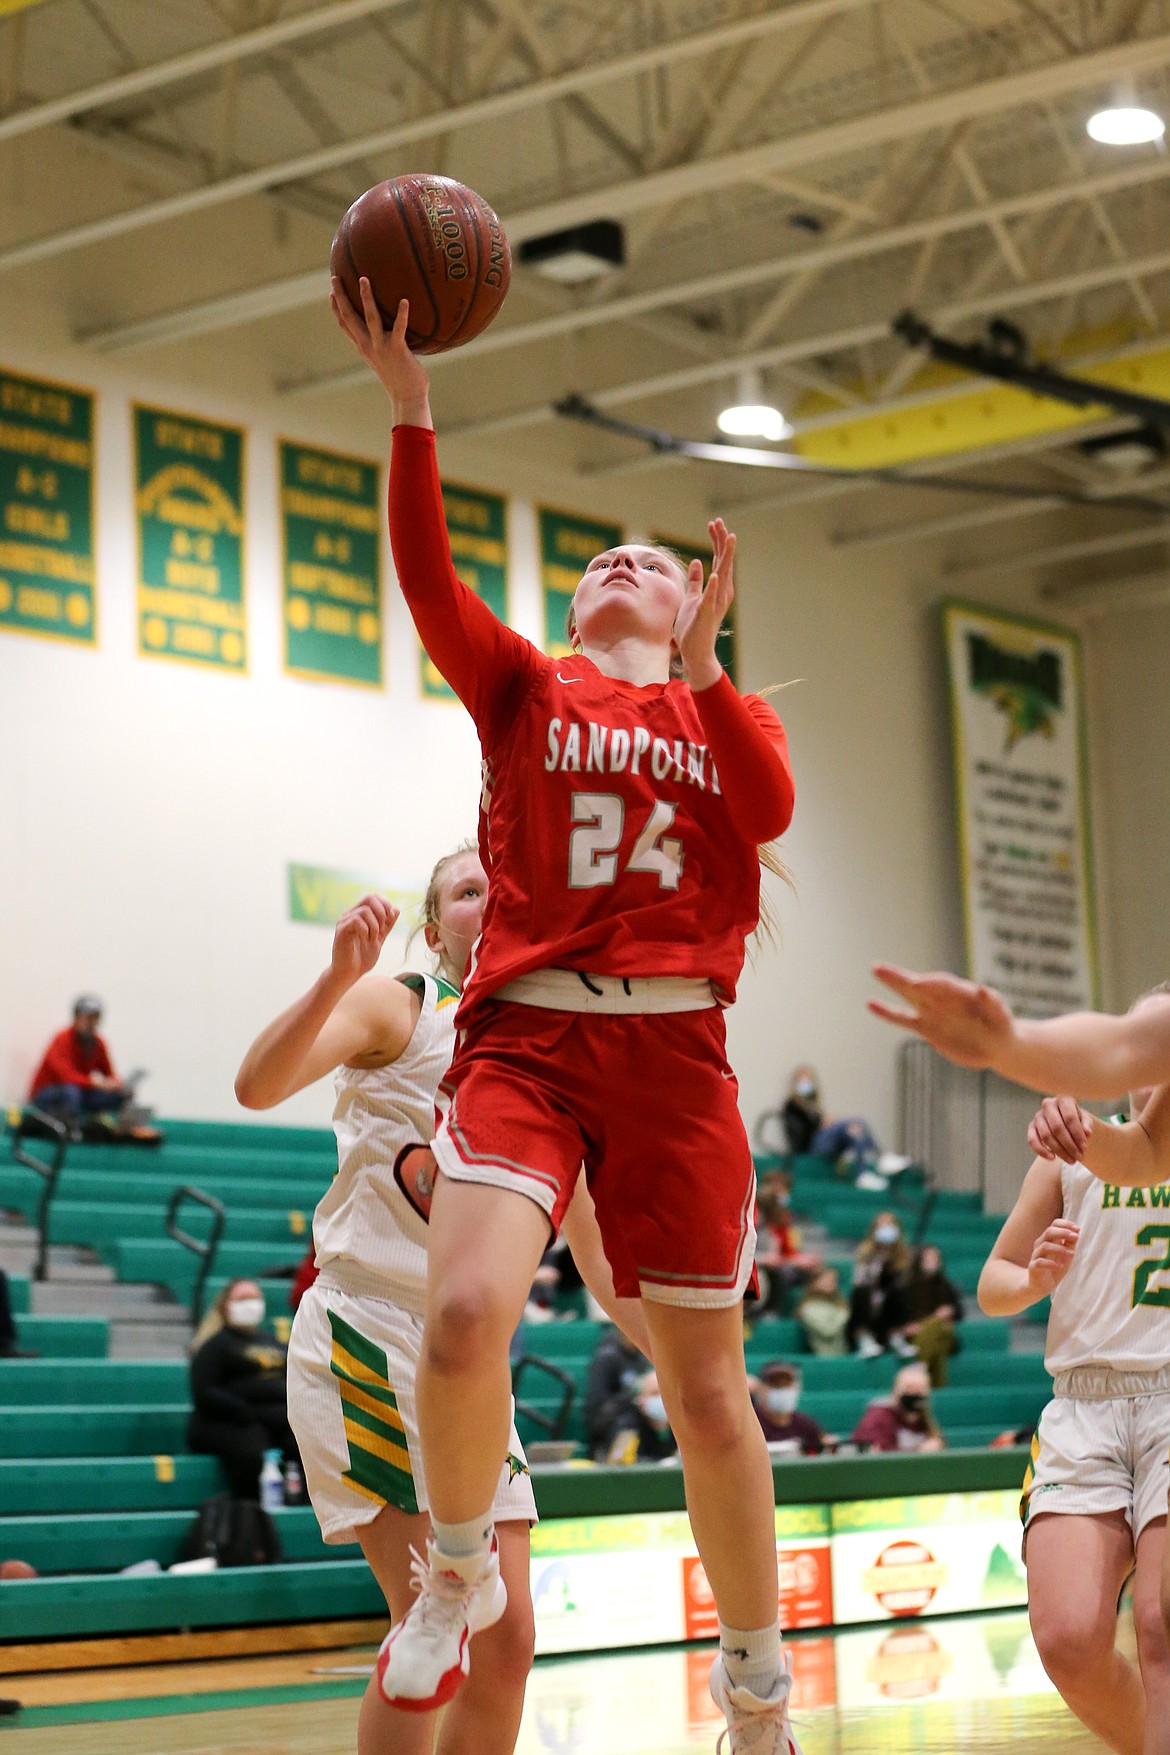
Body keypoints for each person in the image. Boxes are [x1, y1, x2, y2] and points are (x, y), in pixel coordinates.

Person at [332, 277, 799, 1755]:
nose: (620, 560)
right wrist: (412, 413)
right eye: (601, 554)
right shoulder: (524, 689)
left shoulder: (723, 719)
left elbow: (772, 803)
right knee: (465, 1311)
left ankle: (753, 1686)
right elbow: (425, 579)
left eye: (651, 560)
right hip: (526, 1032)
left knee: (707, 1396)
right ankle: (451, 1578)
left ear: (688, 607)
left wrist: (716, 669)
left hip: (673, 1052)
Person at [235, 851, 649, 1755]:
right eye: (470, 889)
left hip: (470, 1354)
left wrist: (694, 1371)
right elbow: (257, 1085)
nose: (494, 896)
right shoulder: (403, 1004)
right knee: (437, 1617)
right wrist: (338, 975)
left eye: (509, 882)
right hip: (365, 1330)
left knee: (510, 1642)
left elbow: (591, 1241)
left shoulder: (550, 1057)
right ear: (435, 932)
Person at [978, 1059, 1170, 1755]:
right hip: (1083, 1405)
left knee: (1161, 1620)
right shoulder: (1074, 1154)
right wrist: (1034, 1278)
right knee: (1067, 1641)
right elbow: (992, 1286)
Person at [187, 1278, 300, 1500]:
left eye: (255, 1298)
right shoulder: (215, 1345)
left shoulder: (273, 1342)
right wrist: (245, 1411)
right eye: (243, 1299)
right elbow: (205, 1391)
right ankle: (250, 1508)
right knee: (252, 1445)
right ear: (225, 1306)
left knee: (303, 1441)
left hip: (275, 1417)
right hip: (230, 1420)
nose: (250, 1304)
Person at [28, 996, 133, 1135]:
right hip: (48, 1094)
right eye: (88, 1018)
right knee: (72, 1092)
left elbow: (109, 1074)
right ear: (77, 1018)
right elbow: (66, 1077)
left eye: (95, 1018)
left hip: (79, 1093)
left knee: (118, 1095)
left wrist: (118, 1085)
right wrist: (98, 1083)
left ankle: (116, 1130)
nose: (92, 1023)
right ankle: (69, 1132)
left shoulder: (98, 1043)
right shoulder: (62, 1039)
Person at [847, 1212, 913, 1358]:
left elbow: (901, 1282)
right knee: (861, 1292)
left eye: (890, 1225)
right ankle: (864, 1338)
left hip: (888, 1306)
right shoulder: (865, 1253)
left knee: (899, 1291)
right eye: (882, 1226)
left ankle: (896, 1336)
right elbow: (858, 1281)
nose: (886, 1229)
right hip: (868, 1304)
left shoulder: (903, 1256)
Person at [583, 1324, 650, 1461]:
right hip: (610, 1433)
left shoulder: (642, 1359)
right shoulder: (606, 1359)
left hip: (642, 1427)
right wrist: (631, 1395)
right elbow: (596, 1411)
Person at [901, 1244, 964, 1388]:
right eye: (929, 1258)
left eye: (936, 1258)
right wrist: (907, 1326)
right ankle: (938, 1388)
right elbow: (901, 1315)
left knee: (936, 1324)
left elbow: (959, 1312)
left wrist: (950, 1311)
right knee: (938, 1348)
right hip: (919, 1335)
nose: (933, 1261)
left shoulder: (945, 1285)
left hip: (943, 1332)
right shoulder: (908, 1285)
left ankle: (922, 1364)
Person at [851, 1362, 944, 1453]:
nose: (915, 1394)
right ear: (896, 1390)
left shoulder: (925, 1420)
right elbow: (877, 1455)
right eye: (909, 1388)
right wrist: (918, 1452)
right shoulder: (878, 1417)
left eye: (921, 1389)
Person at [604, 1369, 679, 1465]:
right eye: (654, 1394)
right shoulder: (626, 1428)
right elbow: (617, 1464)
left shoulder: (680, 1426)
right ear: (640, 1399)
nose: (661, 1400)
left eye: (664, 1394)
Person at [750, 1362, 827, 1455]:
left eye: (786, 1385)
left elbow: (824, 1446)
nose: (782, 1391)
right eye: (776, 1385)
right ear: (760, 1387)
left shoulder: (805, 1424)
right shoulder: (750, 1423)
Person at [795, 1266, 851, 1357]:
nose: (832, 1283)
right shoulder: (808, 1308)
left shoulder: (838, 1304)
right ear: (815, 1283)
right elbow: (829, 1331)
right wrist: (845, 1312)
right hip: (826, 1358)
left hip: (845, 1354)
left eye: (834, 1280)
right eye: (827, 1280)